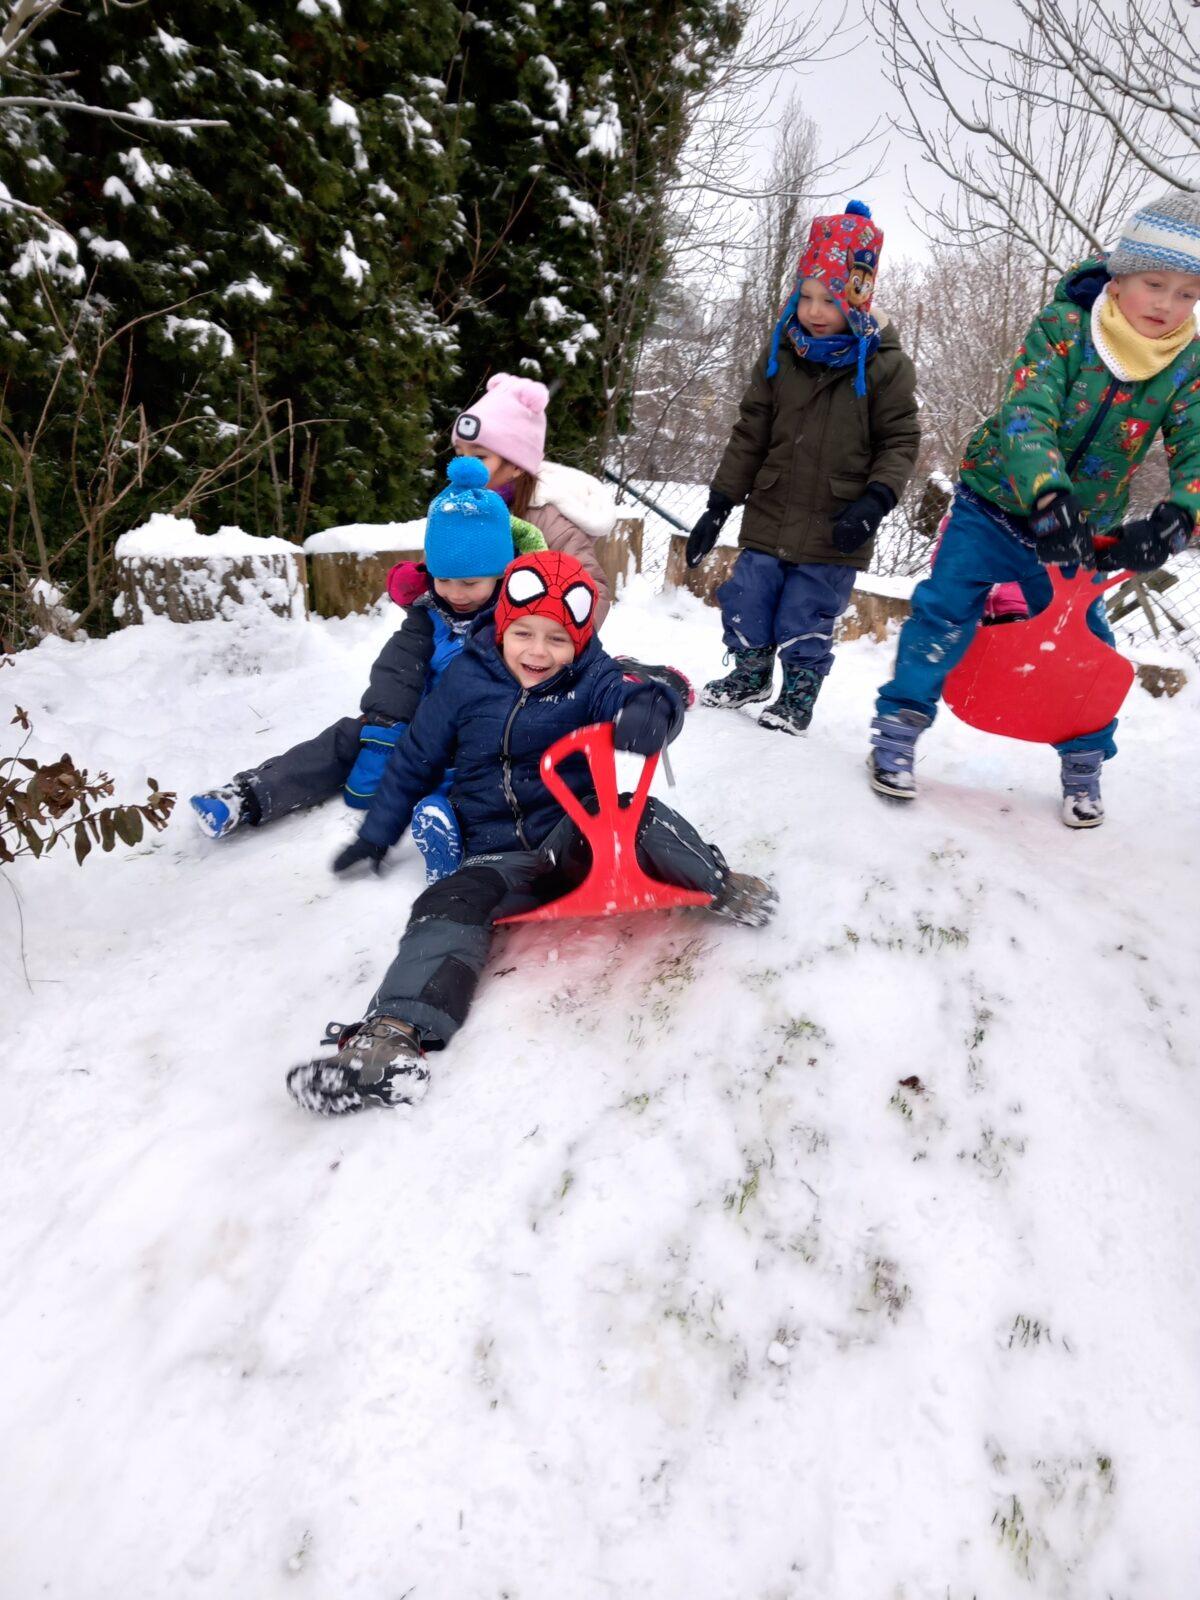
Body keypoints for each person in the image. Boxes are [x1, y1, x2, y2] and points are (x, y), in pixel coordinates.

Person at [285, 549, 778, 1116]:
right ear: (502, 626)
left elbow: (641, 694)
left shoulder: (590, 677)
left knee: (631, 811)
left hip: (575, 836)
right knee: (448, 900)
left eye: (557, 639)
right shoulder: (465, 680)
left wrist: (651, 711)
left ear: (579, 641)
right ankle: (391, 1037)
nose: (538, 652)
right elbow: (415, 758)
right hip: (497, 856)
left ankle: (717, 880)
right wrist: (376, 834)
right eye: (523, 633)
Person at [869, 190, 1200, 828]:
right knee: (946, 609)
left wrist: (1180, 517)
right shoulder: (1066, 328)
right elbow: (1028, 412)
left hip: (1083, 532)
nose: (1167, 304)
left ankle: (1084, 756)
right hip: (996, 504)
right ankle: (900, 725)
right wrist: (1047, 494)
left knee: (1084, 643)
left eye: (1187, 293)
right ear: (1120, 276)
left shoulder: (1187, 362)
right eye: (1155, 284)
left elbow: (1196, 446)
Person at [189, 457, 543, 882]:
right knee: (345, 737)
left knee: (488, 778)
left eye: (470, 583)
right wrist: (386, 726)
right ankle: (248, 795)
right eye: (444, 579)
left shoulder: (515, 622)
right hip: (415, 724)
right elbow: (399, 670)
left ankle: (453, 834)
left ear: (501, 573)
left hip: (477, 733)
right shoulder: (427, 615)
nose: (455, 592)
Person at [687, 200, 920, 734]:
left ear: (857, 297)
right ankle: (749, 674)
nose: (814, 310)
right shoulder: (781, 354)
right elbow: (751, 431)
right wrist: (719, 504)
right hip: (770, 510)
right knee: (747, 597)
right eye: (806, 295)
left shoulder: (885, 366)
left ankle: (797, 695)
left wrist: (876, 500)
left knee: (806, 613)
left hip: (836, 522)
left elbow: (900, 440)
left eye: (829, 299)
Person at [388, 372, 615, 624]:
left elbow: (591, 593)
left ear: (516, 465)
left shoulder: (547, 520)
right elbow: (441, 580)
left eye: (479, 457)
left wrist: (538, 631)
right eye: (460, 454)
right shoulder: (456, 509)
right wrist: (419, 587)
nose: (465, 466)